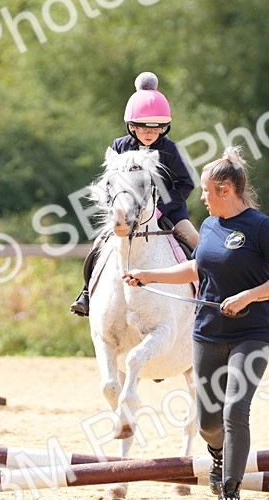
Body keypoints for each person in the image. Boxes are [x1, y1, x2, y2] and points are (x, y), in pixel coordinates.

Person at [122, 147, 269, 500]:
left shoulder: (261, 227)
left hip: (252, 332)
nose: (200, 197)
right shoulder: (208, 227)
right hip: (208, 332)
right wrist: (149, 275)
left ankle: (231, 494)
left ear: (224, 190)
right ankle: (218, 458)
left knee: (236, 409)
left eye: (205, 191)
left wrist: (248, 296)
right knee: (207, 422)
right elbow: (197, 268)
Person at [70, 71, 198, 317]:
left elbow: (186, 184)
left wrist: (161, 210)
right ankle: (86, 293)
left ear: (164, 127)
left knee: (197, 243)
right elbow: (111, 183)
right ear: (131, 126)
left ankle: (211, 291)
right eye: (142, 127)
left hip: (168, 212)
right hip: (127, 212)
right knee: (98, 246)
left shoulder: (171, 150)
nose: (149, 133)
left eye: (156, 127)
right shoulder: (120, 147)